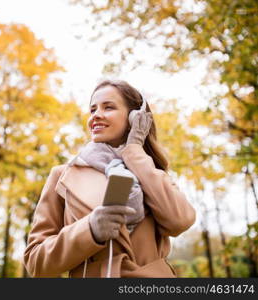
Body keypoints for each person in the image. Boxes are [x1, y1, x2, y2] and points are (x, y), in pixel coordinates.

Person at [23, 79, 196, 278]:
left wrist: (134, 151)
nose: (96, 115)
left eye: (108, 107)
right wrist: (89, 230)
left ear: (134, 117)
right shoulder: (62, 176)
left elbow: (180, 220)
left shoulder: (150, 171)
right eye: (93, 109)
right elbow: (35, 262)